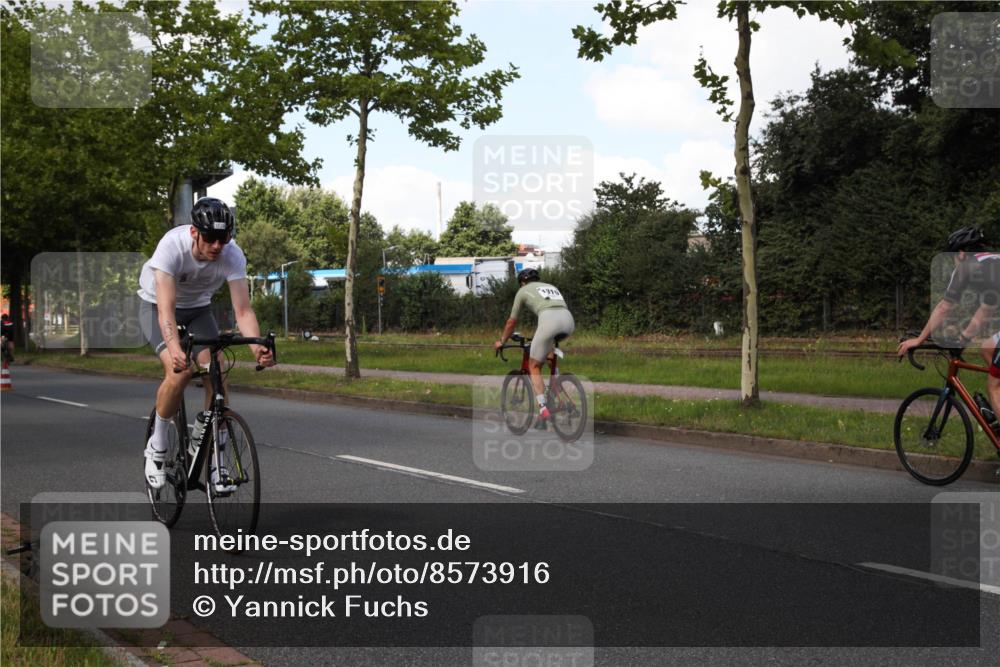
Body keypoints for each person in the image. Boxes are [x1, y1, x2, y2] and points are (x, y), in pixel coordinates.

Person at [138, 197, 274, 492]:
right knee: (180, 372)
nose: (217, 246)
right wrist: (175, 350)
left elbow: (243, 310)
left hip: (199, 310)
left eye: (223, 239)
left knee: (217, 369)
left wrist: (257, 349)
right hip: (157, 308)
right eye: (210, 238)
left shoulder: (232, 254)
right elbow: (165, 310)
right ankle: (157, 445)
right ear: (194, 233)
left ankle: (216, 461)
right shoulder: (171, 247)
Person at [898, 227, 1000, 428]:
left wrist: (919, 340)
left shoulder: (966, 266)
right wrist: (964, 337)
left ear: (961, 253)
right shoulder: (993, 261)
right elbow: (985, 310)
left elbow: (945, 307)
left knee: (994, 387)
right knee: (987, 347)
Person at [493, 268, 575, 425]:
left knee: (534, 365)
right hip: (568, 321)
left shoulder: (523, 291)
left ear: (522, 282)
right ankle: (561, 393)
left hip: (549, 322)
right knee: (549, 355)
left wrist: (502, 341)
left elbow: (511, 322)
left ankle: (543, 409)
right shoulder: (550, 286)